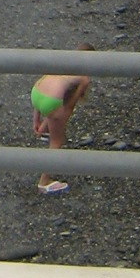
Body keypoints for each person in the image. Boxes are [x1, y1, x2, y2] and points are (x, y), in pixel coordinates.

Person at [30, 57, 91, 194]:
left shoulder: (62, 61)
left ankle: (43, 130)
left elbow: (49, 92)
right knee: (57, 141)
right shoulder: (84, 79)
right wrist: (61, 123)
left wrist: (37, 120)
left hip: (36, 93)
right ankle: (43, 183)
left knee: (53, 112)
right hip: (51, 100)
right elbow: (69, 105)